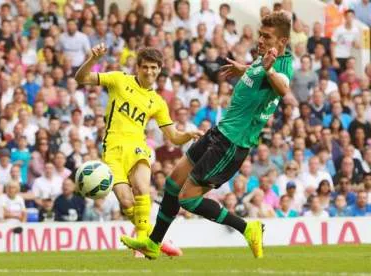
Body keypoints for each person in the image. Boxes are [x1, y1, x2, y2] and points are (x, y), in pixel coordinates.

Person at [121, 12, 293, 259]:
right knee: (172, 184)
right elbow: (261, 72)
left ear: (283, 41)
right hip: (219, 131)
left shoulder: (282, 64)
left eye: (267, 37)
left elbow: (283, 87)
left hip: (232, 142)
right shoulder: (266, 57)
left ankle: (247, 228)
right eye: (260, 35)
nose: (261, 40)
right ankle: (153, 243)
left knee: (187, 200)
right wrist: (244, 68)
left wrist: (268, 70)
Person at [75, 45, 201, 256]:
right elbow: (81, 78)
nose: (149, 72)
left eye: (154, 68)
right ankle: (156, 239)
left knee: (142, 188)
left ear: (160, 69)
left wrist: (188, 135)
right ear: (138, 67)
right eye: (145, 67)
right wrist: (92, 59)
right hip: (112, 151)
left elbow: (173, 136)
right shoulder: (118, 80)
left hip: (137, 148)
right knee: (126, 202)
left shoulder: (158, 102)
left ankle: (143, 243)